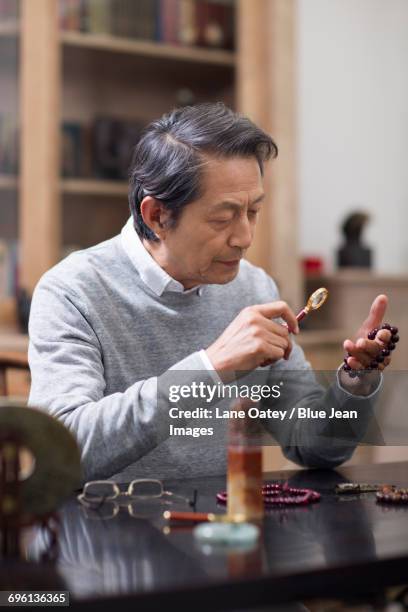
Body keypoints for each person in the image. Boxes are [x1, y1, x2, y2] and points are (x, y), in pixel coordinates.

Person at [28, 103, 393, 484]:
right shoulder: (71, 292)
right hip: (104, 535)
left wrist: (355, 382)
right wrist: (211, 368)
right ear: (157, 216)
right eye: (222, 218)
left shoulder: (254, 288)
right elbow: (60, 452)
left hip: (225, 534)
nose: (245, 238)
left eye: (253, 212)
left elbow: (315, 445)